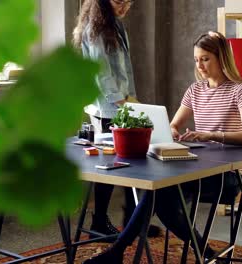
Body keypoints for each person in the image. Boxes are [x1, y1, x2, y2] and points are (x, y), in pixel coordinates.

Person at [83, 31, 242, 264]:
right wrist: (172, 131)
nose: (200, 65)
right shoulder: (195, 90)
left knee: (160, 195)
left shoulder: (240, 89)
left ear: (221, 58)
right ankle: (205, 253)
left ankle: (116, 252)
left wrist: (211, 135)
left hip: (228, 176)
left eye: (205, 59)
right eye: (196, 60)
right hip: (198, 169)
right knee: (160, 197)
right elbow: (174, 124)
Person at [73, 0, 157, 241]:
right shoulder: (94, 28)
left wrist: (132, 99)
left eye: (129, 3)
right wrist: (121, 101)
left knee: (131, 163)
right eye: (119, 1)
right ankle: (100, 222)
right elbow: (101, 72)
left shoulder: (115, 25)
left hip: (122, 103)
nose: (124, 7)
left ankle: (132, 222)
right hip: (106, 107)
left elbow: (125, 69)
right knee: (109, 166)